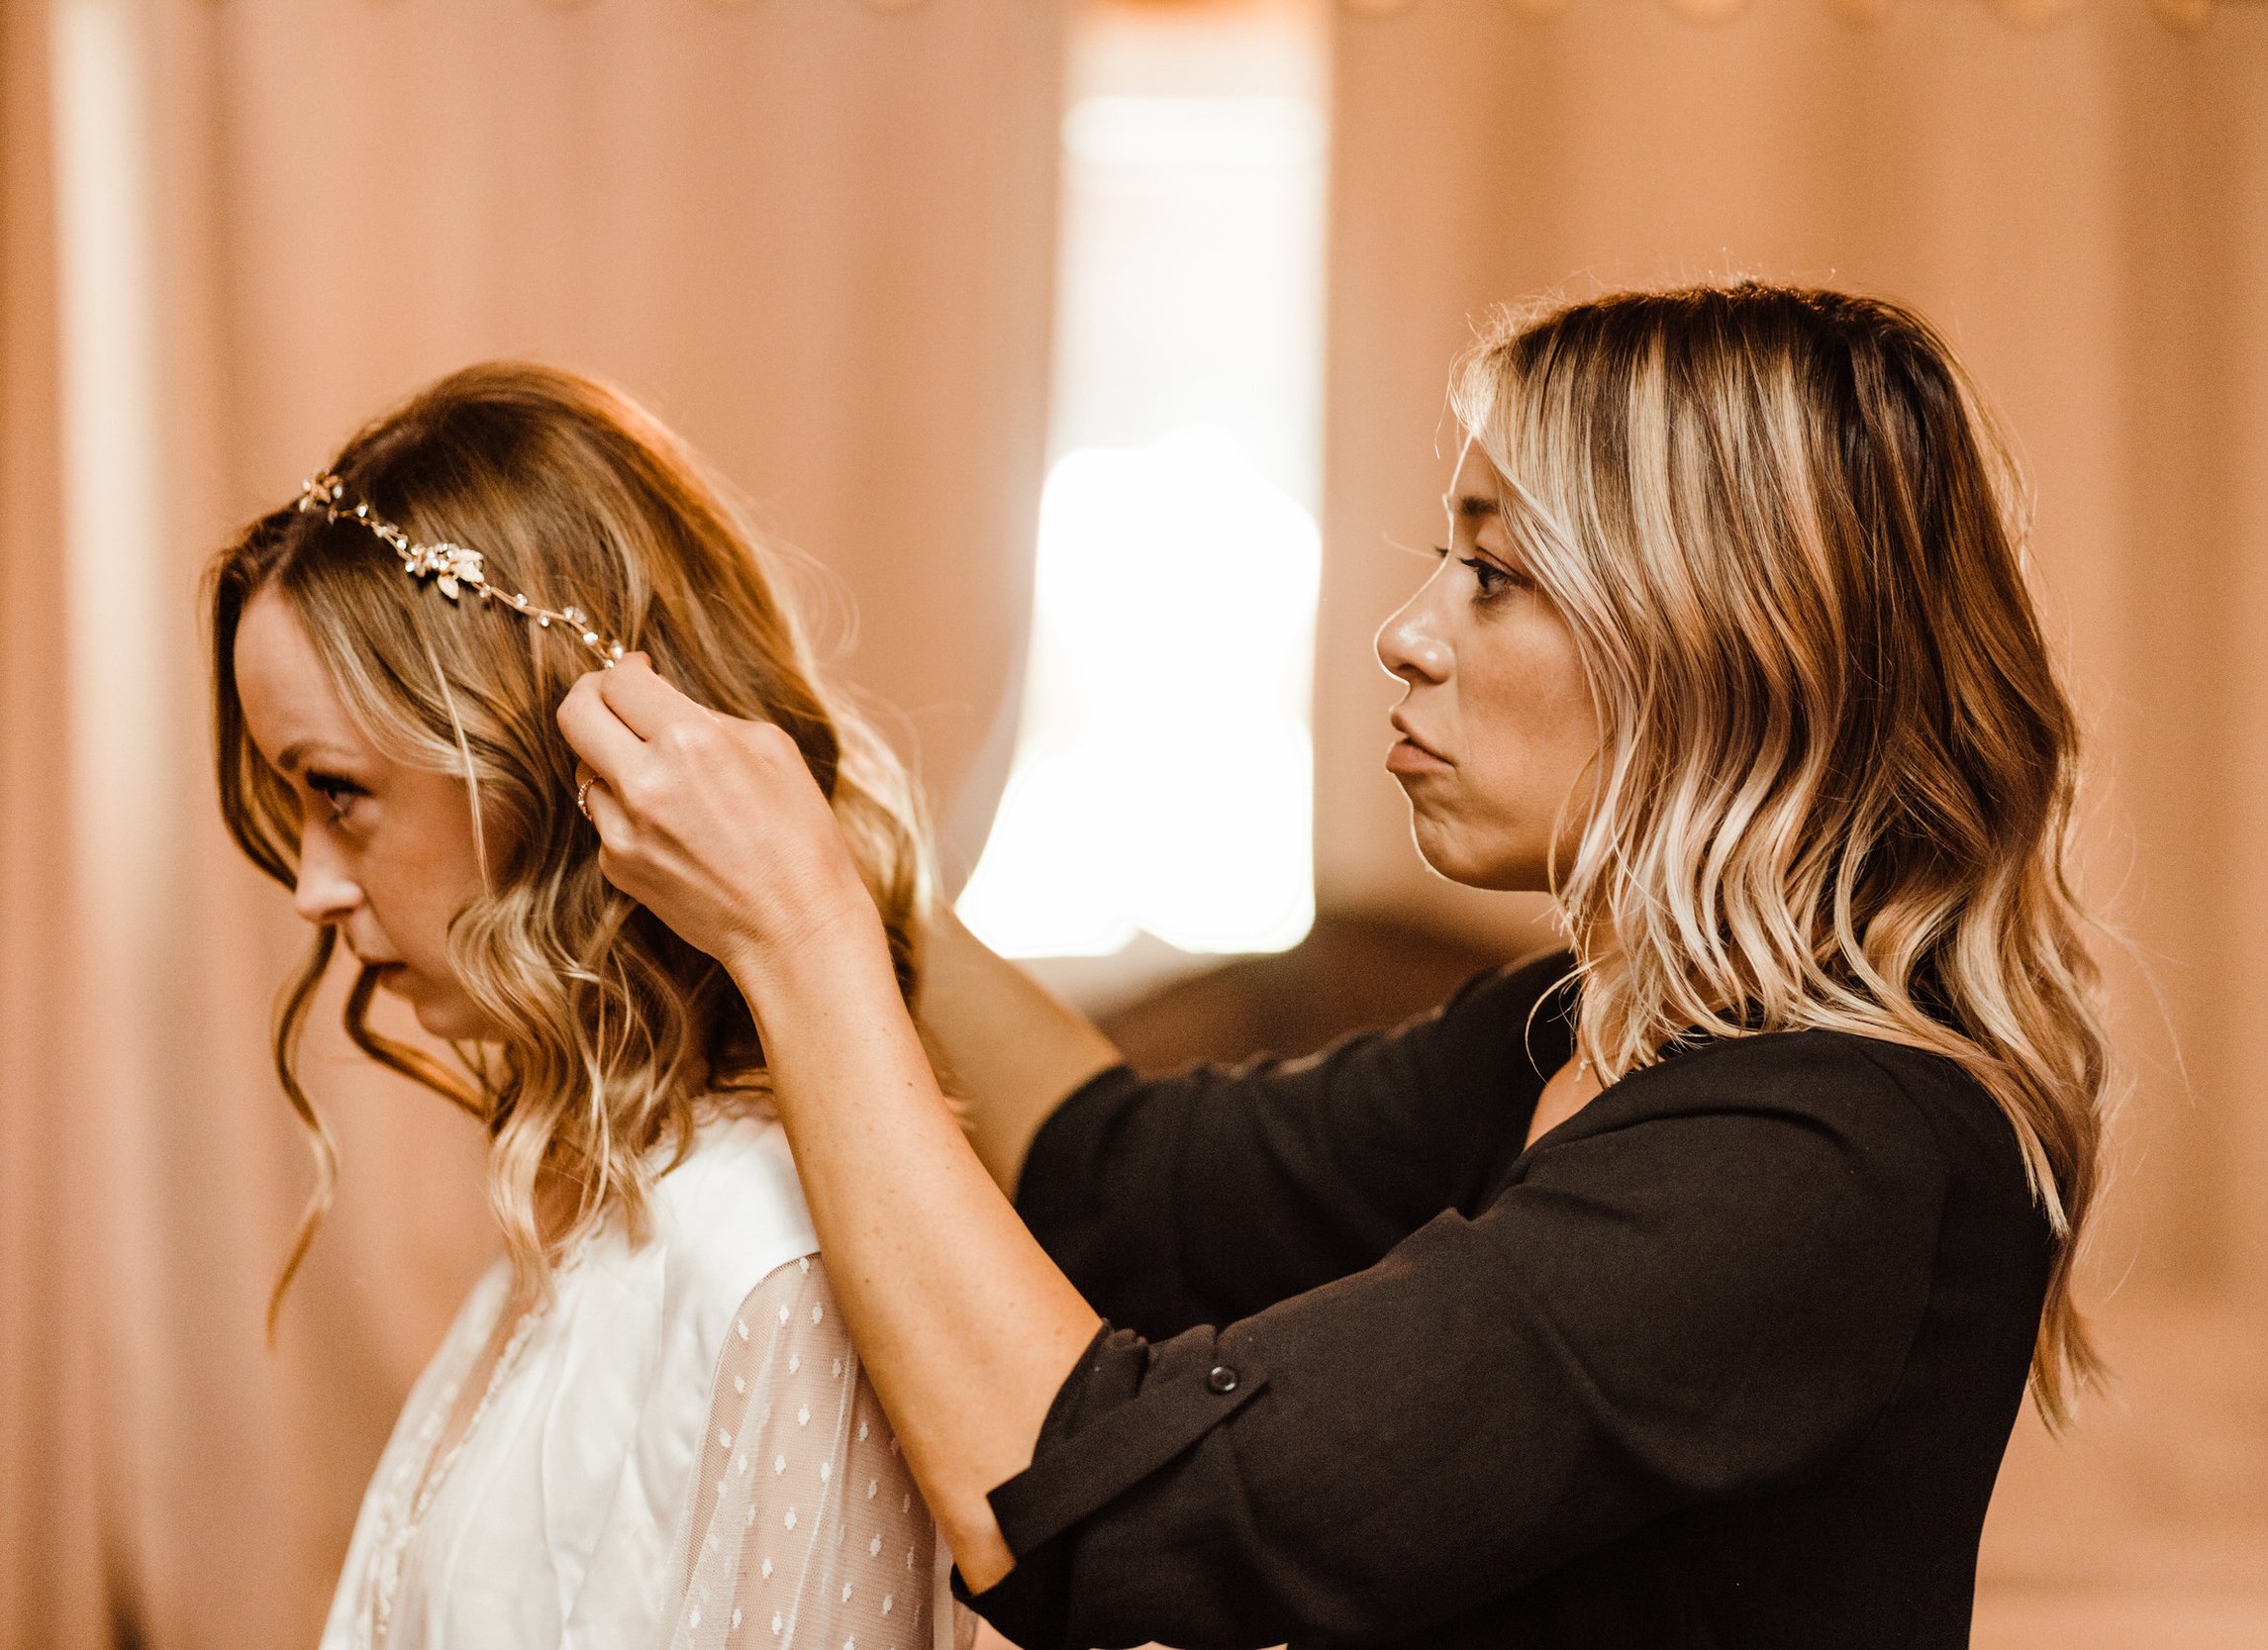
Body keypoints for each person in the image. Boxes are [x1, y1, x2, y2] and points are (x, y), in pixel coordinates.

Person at [556, 283, 2115, 1649]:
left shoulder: (1814, 1160)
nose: (1405, 635)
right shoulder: (1582, 1034)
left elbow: (1102, 1520)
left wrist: (801, 938)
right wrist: (833, 829)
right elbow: (1122, 1176)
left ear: (1723, 650)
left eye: (1492, 576)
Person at [208, 362, 968, 1650]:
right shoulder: (598, 1194)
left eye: (336, 792)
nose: (313, 889)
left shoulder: (768, 1261)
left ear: (561, 772)